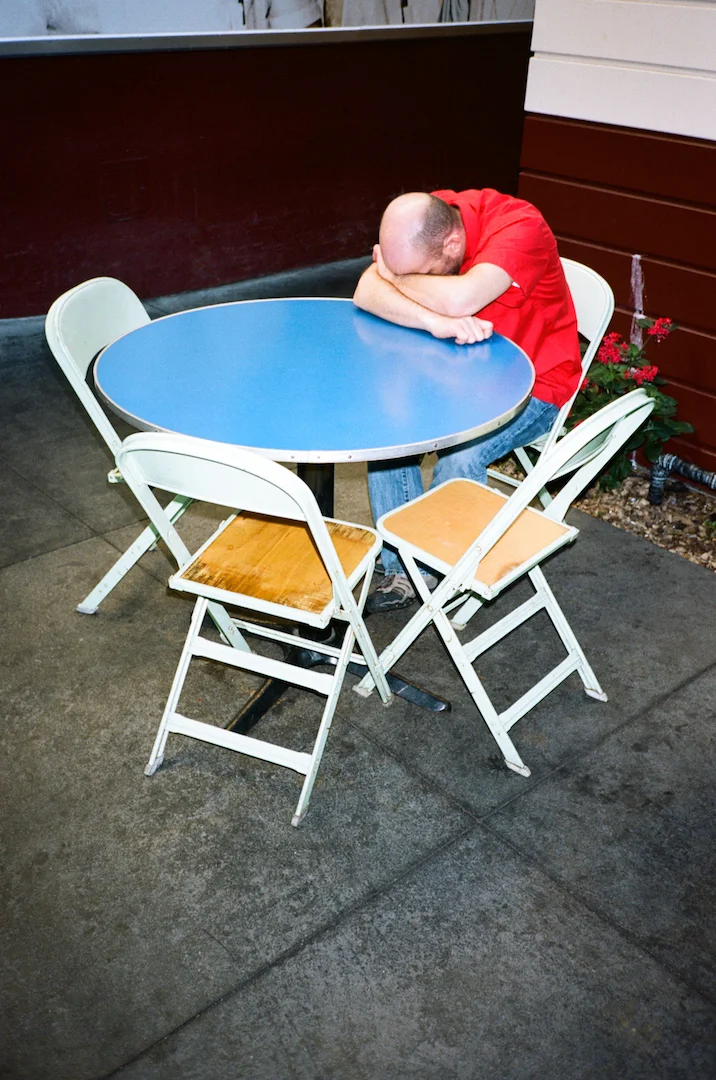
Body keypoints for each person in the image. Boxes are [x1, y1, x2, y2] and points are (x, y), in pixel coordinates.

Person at [353, 187, 581, 612]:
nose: (413, 280)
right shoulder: (428, 217)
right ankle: (405, 572)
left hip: (533, 388)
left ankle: (443, 572)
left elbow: (461, 298)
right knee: (388, 429)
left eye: (424, 274)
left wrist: (396, 279)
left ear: (453, 244)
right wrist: (430, 320)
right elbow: (365, 291)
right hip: (452, 370)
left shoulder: (520, 227)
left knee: (459, 458)